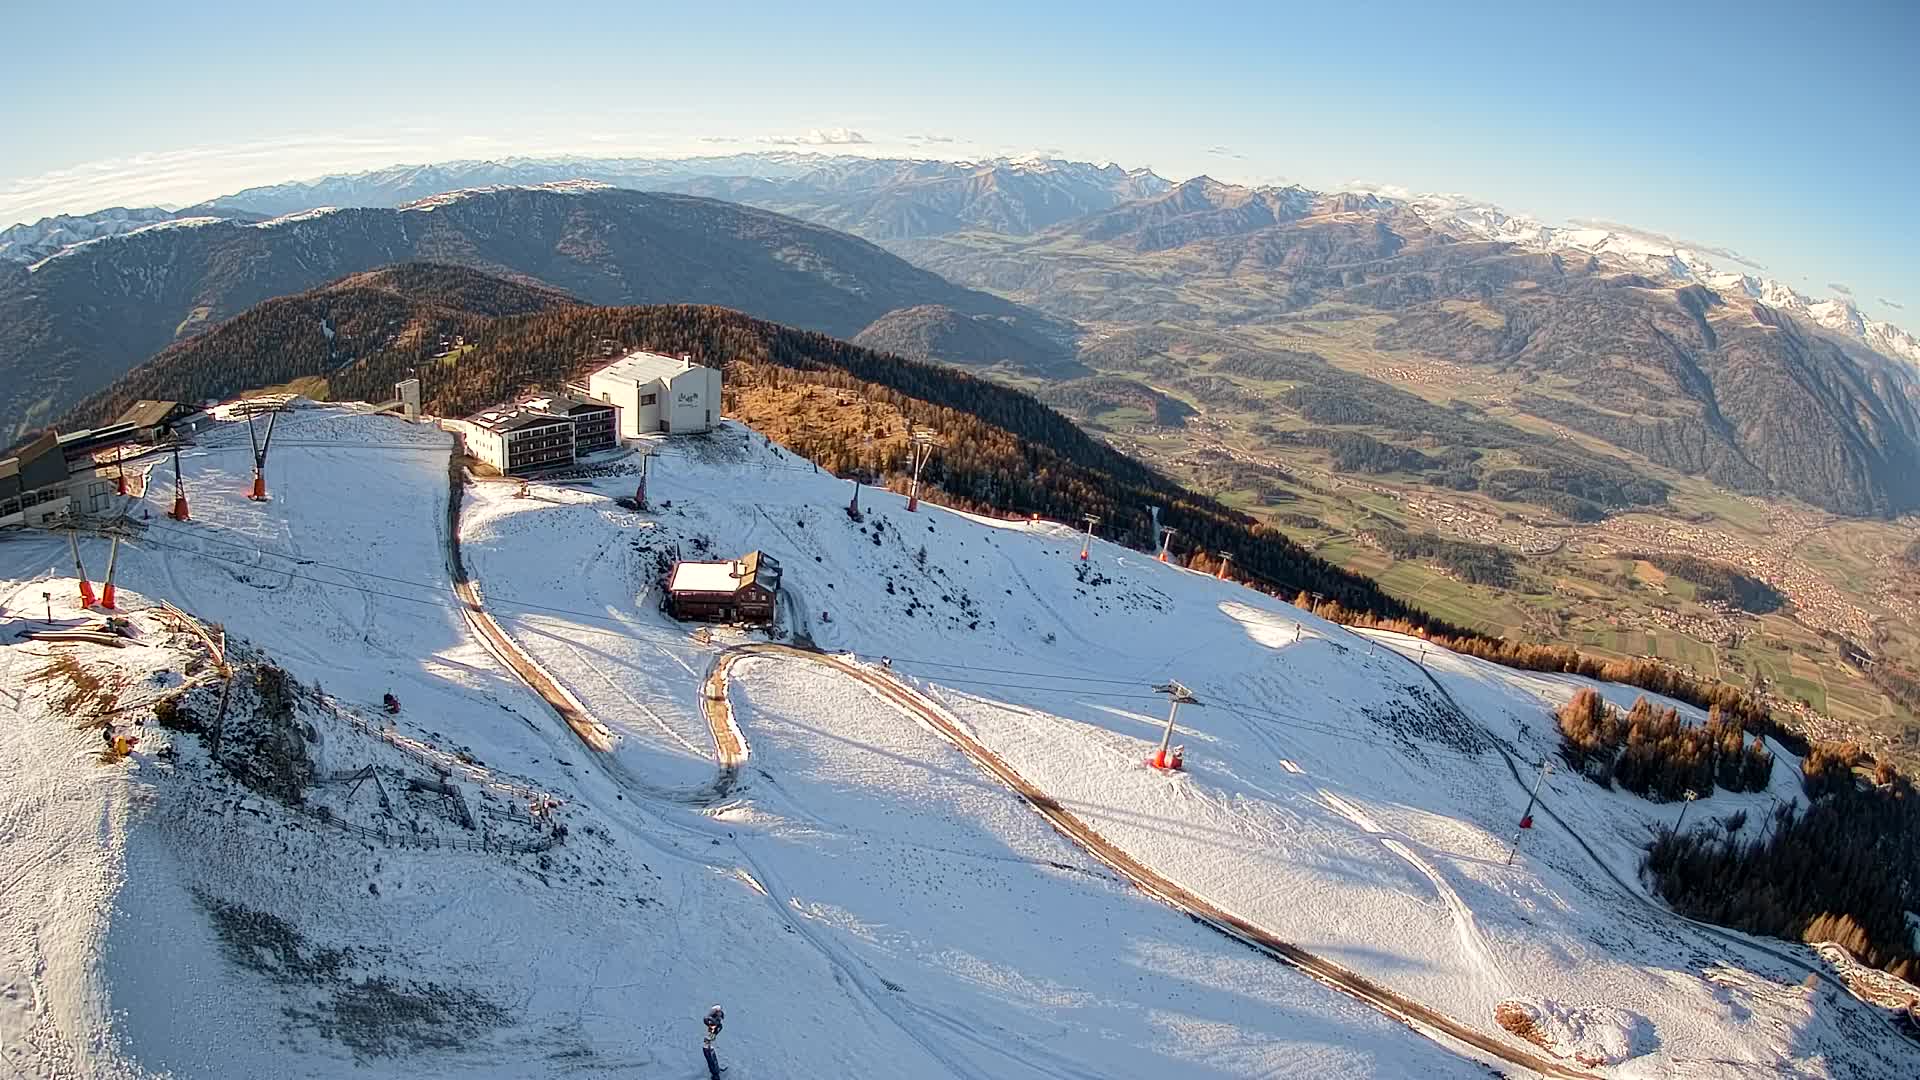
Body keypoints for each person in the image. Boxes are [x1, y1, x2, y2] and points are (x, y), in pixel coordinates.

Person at [702, 1005, 725, 1079]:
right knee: (710, 1057)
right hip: (707, 1044)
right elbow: (707, 1020)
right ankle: (715, 1074)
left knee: (712, 1056)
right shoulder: (710, 1019)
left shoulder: (717, 1022)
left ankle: (716, 1071)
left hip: (709, 1042)